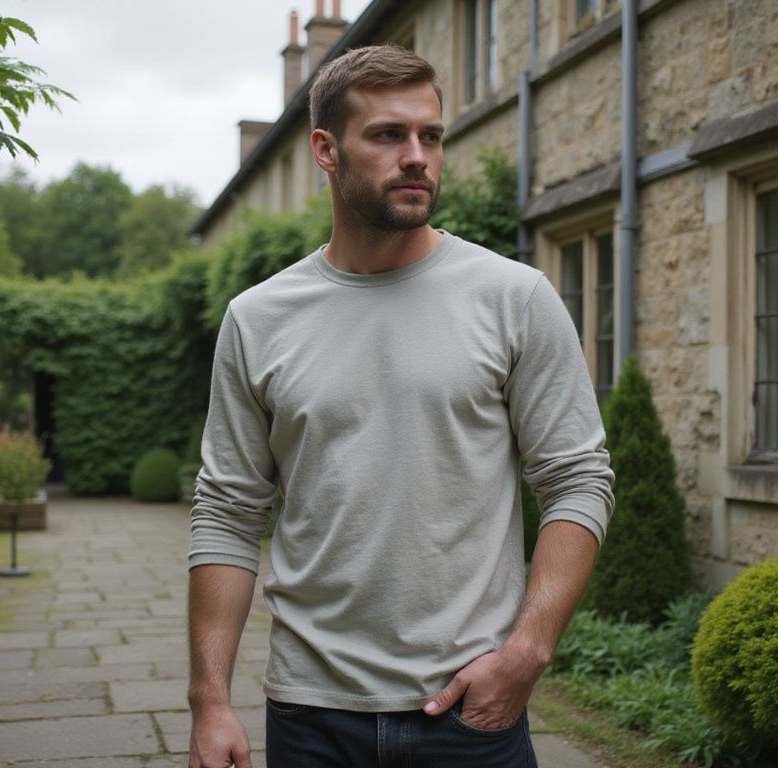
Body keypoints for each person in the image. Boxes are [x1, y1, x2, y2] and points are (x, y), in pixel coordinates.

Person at [187, 44, 614, 768]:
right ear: (326, 149)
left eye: (431, 136)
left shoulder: (515, 298)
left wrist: (529, 651)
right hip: (310, 714)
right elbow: (228, 512)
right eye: (388, 135)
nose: (417, 156)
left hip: (471, 713)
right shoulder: (259, 318)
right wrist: (210, 702)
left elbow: (577, 480)